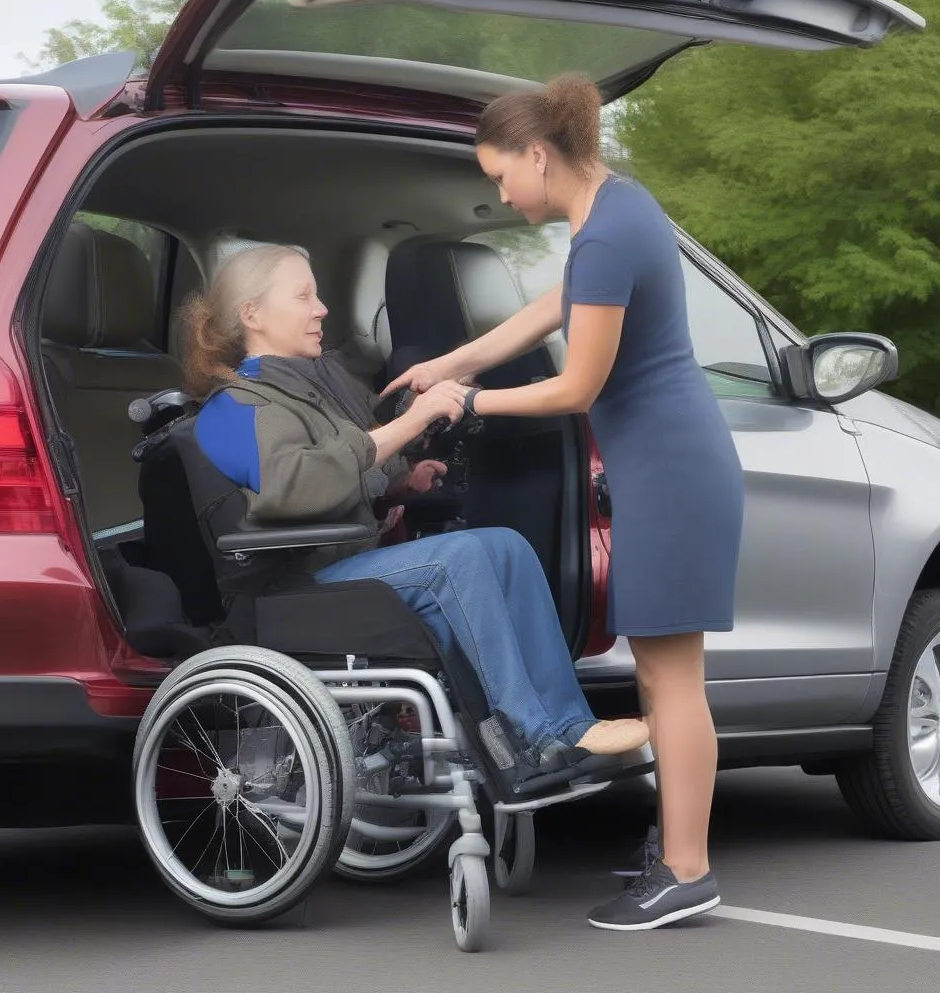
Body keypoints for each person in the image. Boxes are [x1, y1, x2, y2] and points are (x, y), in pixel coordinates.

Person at [383, 74, 745, 930]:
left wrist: (471, 403)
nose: (499, 192)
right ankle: (678, 855)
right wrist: (450, 365)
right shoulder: (613, 211)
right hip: (670, 466)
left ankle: (687, 871)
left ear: (538, 155)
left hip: (671, 474)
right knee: (665, 672)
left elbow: (577, 385)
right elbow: (550, 309)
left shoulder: (610, 234)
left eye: (501, 174)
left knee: (671, 676)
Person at [178, 242, 650, 784]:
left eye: (318, 294)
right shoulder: (233, 406)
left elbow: (338, 476)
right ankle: (534, 736)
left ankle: (570, 724)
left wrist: (399, 483)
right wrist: (411, 420)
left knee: (507, 545)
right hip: (291, 587)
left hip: (335, 568)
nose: (321, 309)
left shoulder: (303, 391)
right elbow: (293, 488)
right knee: (459, 559)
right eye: (303, 295)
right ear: (252, 315)